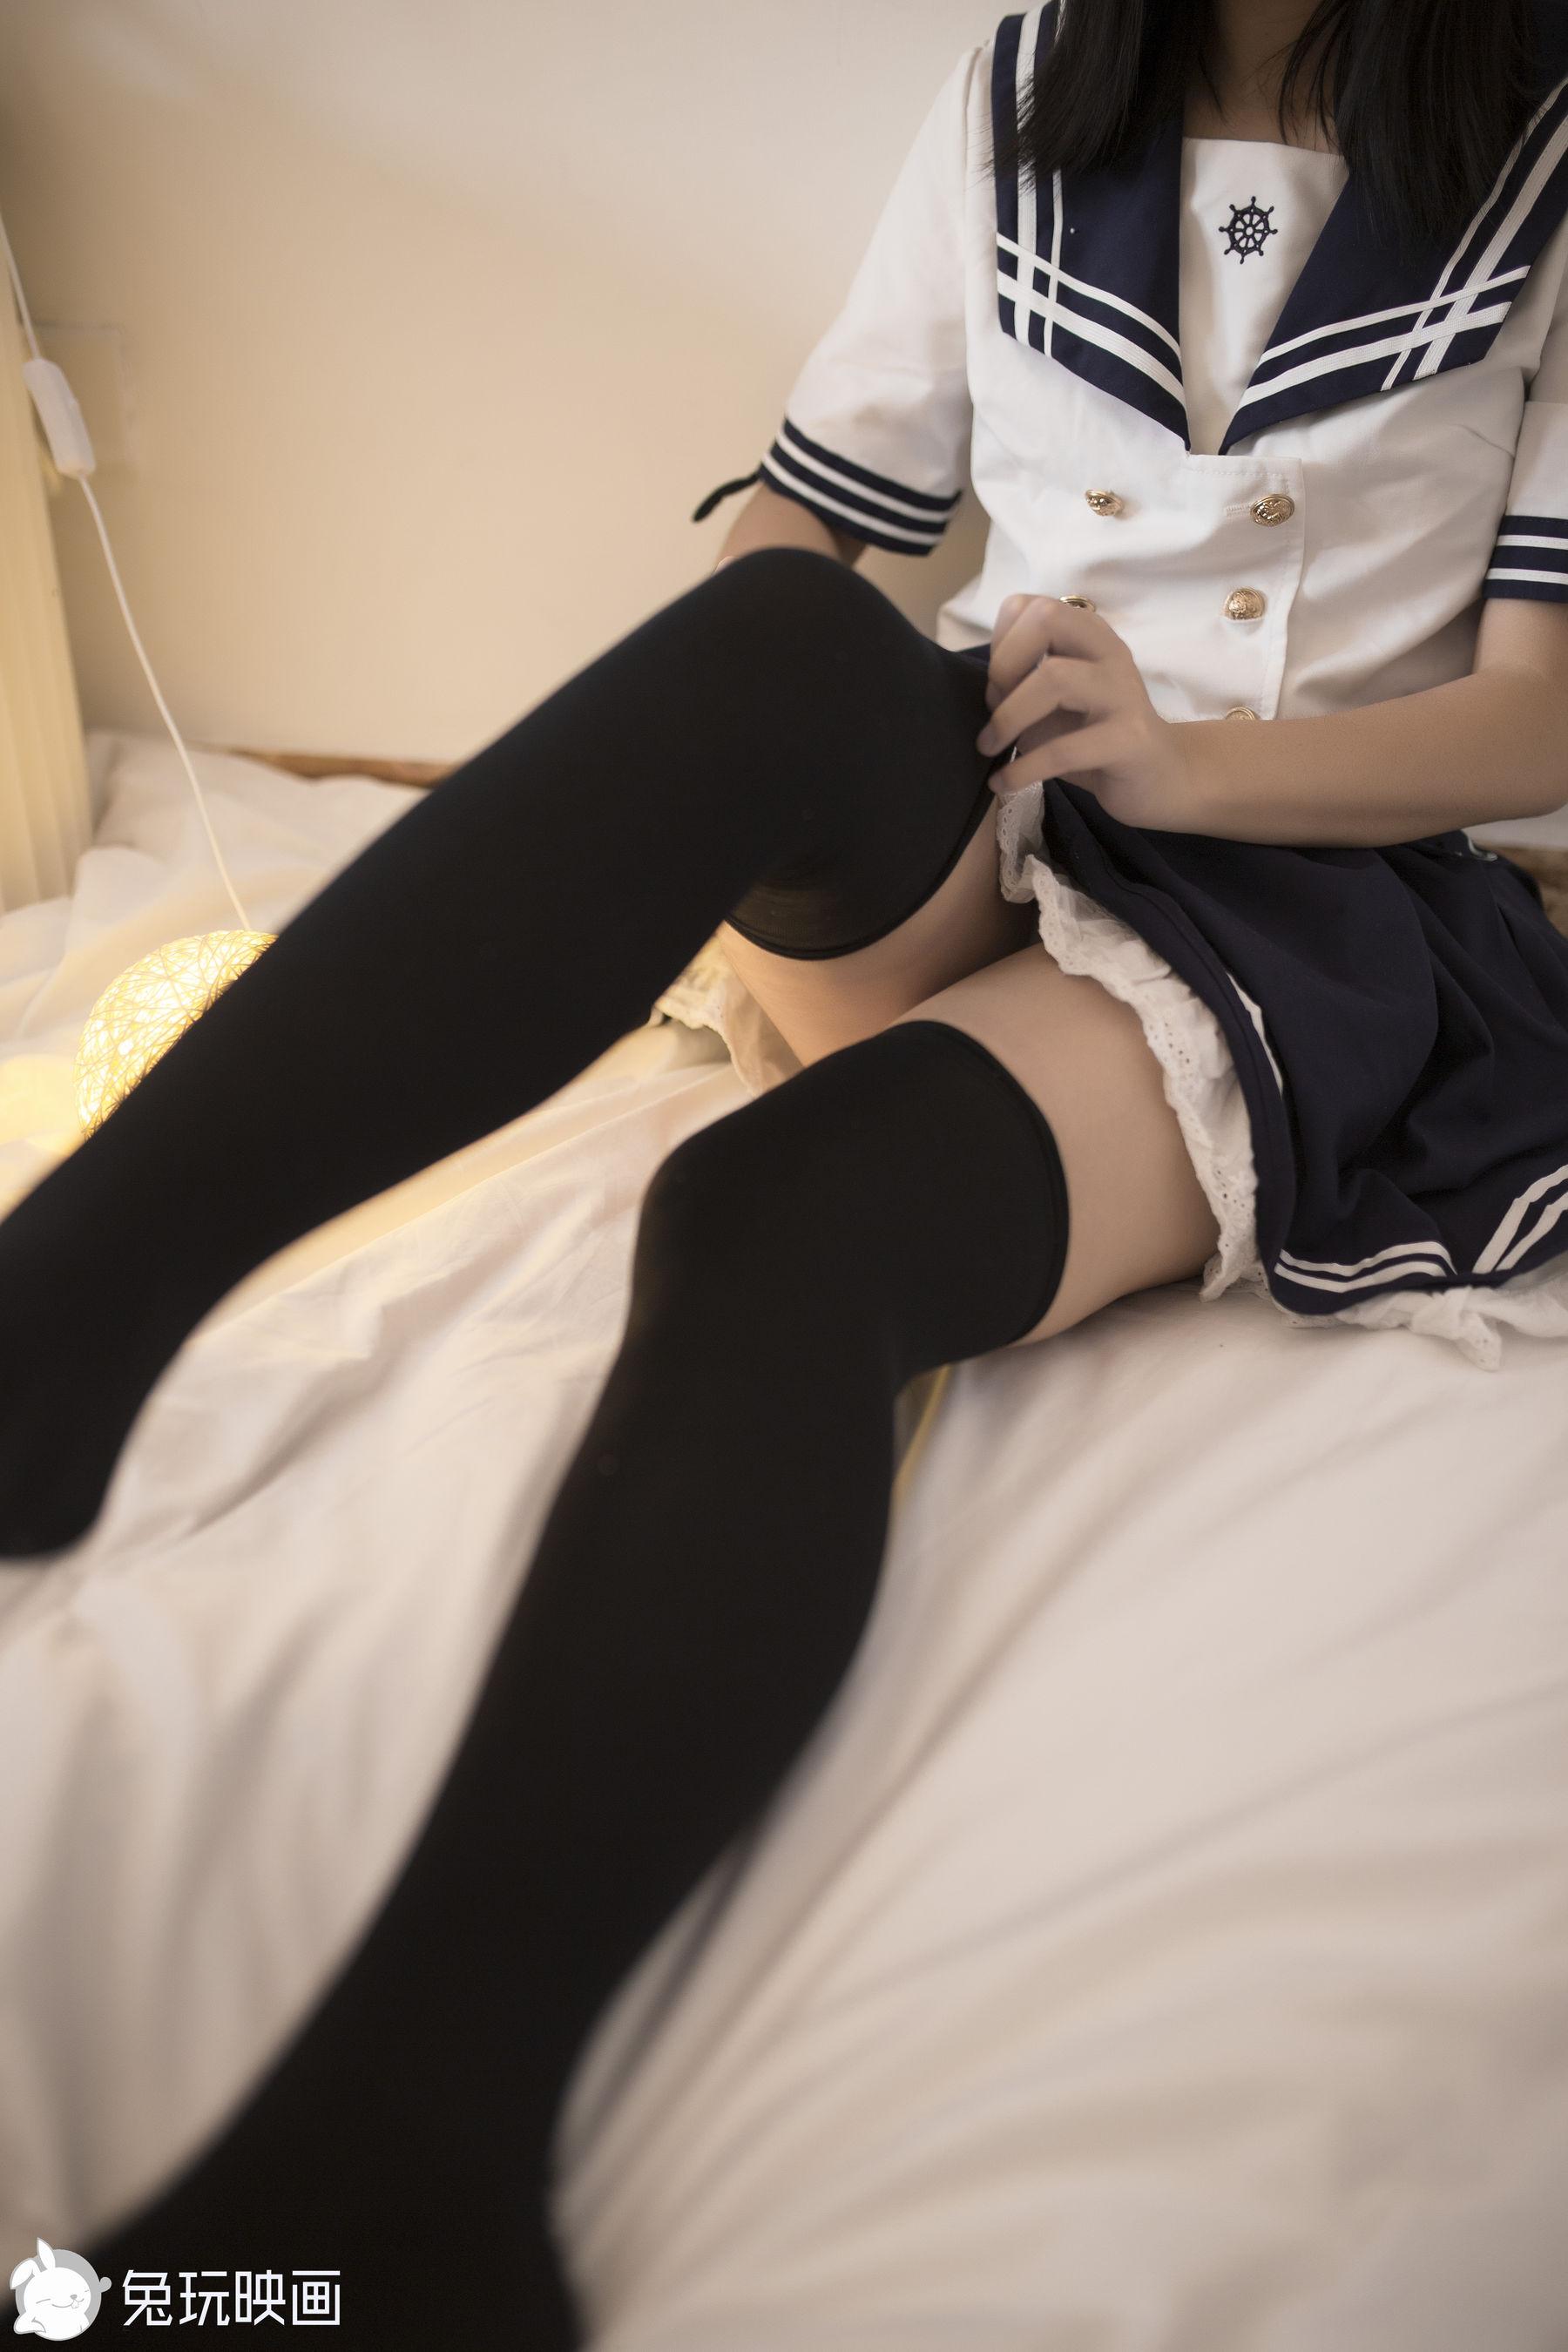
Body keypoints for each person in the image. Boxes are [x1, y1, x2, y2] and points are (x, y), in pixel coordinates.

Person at [4, 0, 1568, 2340]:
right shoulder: (1030, 83)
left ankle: (411, 2159)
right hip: (1002, 800)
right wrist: (718, 726)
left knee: (770, 1220)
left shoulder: (1546, 141)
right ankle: (50, 1336)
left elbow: (1542, 708)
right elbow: (820, 504)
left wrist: (1184, 762)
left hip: (1294, 916)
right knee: (775, 636)